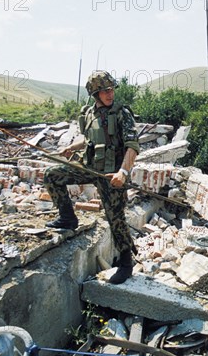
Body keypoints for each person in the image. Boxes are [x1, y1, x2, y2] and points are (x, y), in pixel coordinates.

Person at [43, 70, 140, 285]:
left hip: (111, 173)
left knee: (115, 217)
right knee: (52, 175)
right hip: (89, 167)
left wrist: (123, 173)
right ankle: (68, 218)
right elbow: (89, 139)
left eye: (111, 89)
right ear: (94, 94)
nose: (110, 93)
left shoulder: (122, 113)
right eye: (104, 91)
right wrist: (71, 146)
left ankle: (126, 263)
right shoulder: (88, 113)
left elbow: (132, 147)